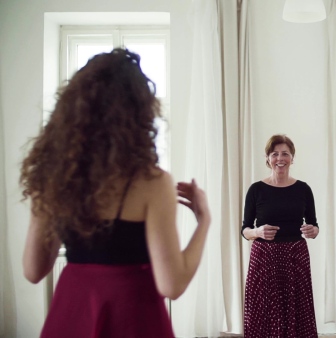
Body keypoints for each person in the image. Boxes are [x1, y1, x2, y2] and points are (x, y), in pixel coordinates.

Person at [20, 48, 211, 337]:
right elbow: (172, 285)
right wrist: (204, 220)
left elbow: (34, 270)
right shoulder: (152, 182)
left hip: (74, 312)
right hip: (134, 316)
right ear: (139, 114)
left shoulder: (53, 177)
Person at [241, 134, 319, 338]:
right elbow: (245, 229)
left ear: (292, 158)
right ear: (267, 158)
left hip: (296, 255)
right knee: (264, 309)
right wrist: (257, 232)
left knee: (297, 309)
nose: (280, 158)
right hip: (264, 257)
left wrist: (313, 231)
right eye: (275, 154)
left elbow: (314, 225)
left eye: (285, 153)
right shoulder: (256, 190)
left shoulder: (303, 189)